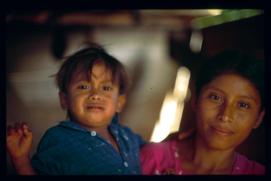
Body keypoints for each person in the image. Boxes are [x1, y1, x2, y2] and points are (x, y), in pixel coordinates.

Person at [6, 44, 146, 175]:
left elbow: (157, 155)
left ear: (119, 103)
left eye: (106, 88)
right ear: (64, 99)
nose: (96, 95)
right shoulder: (59, 139)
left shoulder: (128, 136)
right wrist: (21, 160)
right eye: (84, 87)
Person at [140, 50, 265, 175]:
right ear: (195, 100)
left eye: (243, 105)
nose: (225, 116)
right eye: (215, 97)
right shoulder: (151, 159)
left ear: (259, 118)